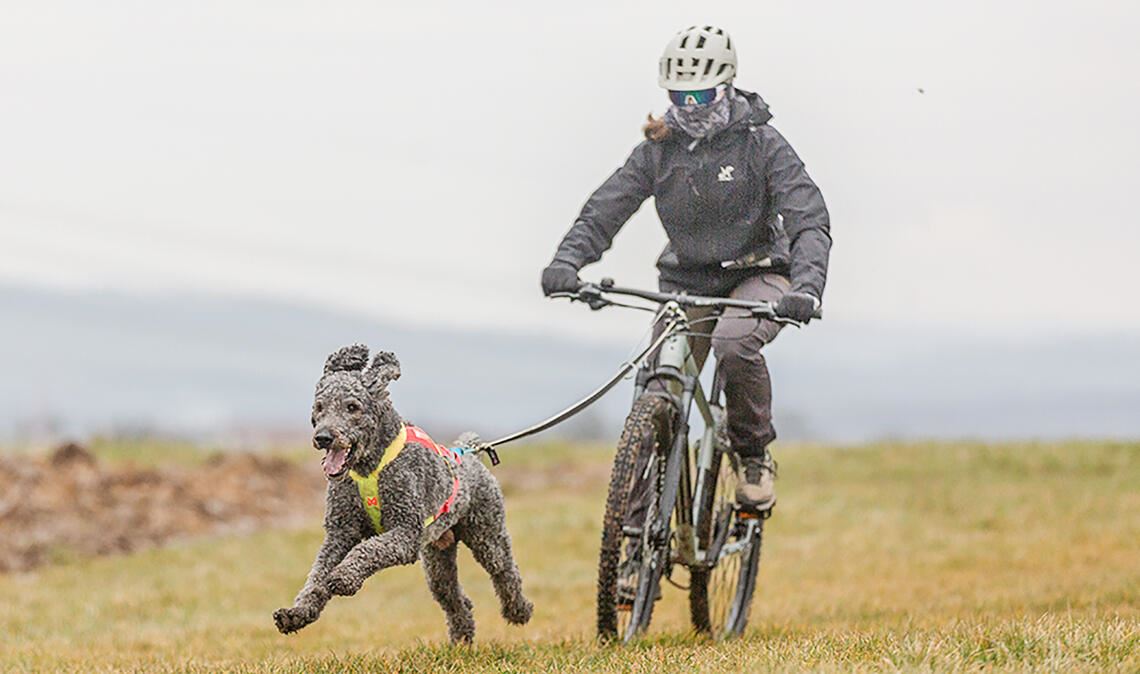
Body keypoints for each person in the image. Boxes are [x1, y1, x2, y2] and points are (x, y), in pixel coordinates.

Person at [541, 25, 831, 512]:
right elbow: (605, 210)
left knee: (734, 345)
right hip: (686, 281)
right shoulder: (657, 150)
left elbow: (808, 218)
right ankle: (632, 541)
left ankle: (753, 455)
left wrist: (806, 286)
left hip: (757, 274)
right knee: (659, 385)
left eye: (701, 92)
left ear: (727, 85)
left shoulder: (762, 144)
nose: (690, 105)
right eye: (679, 93)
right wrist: (567, 261)